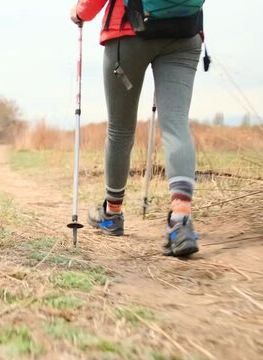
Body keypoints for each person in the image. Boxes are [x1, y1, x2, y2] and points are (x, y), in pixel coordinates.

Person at [70, 0, 203, 257]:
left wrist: (80, 12)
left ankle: (112, 214)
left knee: (120, 130)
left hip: (128, 31)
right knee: (176, 124)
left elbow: (91, 4)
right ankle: (181, 220)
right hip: (185, 32)